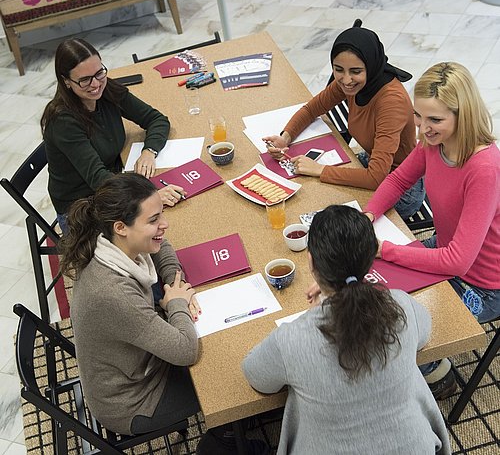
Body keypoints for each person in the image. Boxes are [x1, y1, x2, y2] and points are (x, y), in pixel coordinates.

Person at [59, 173, 267, 454]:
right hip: (134, 400)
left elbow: (161, 246)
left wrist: (173, 283)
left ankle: (233, 427)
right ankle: (223, 441)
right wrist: (176, 303)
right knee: (232, 377)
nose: (164, 224)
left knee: (227, 349)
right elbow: (184, 351)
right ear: (121, 227)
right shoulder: (113, 293)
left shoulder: (111, 240)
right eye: (153, 219)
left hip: (140, 364)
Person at [242, 205, 450, 455]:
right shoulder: (400, 305)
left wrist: (315, 315)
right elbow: (423, 333)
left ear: (311, 261)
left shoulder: (293, 338)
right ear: (371, 260)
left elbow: (256, 376)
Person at [364, 62, 500, 398]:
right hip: (446, 249)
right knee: (368, 284)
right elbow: (398, 179)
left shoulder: (485, 168)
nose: (423, 129)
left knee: (392, 327)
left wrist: (386, 250)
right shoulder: (434, 144)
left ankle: (436, 373)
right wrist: (367, 216)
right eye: (419, 117)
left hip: (485, 284)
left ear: (462, 115)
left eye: (435, 120)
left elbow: (457, 263)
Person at [264, 20, 424, 219]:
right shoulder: (352, 84)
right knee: (311, 193)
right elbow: (312, 108)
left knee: (325, 214)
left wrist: (320, 169)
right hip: (373, 164)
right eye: (338, 69)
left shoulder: (391, 101)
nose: (346, 80)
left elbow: (376, 178)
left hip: (403, 188)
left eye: (356, 72)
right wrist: (285, 138)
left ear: (371, 65)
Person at [41, 38, 185, 233]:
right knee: (154, 230)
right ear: (66, 81)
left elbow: (156, 119)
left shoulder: (106, 89)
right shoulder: (63, 121)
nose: (95, 84)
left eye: (99, 73)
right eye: (84, 80)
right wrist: (150, 197)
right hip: (81, 208)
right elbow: (98, 178)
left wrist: (149, 151)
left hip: (114, 180)